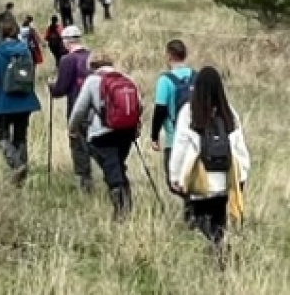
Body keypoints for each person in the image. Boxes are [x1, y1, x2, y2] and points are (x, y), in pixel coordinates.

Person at [169, 66, 249, 260]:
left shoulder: (189, 112)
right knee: (219, 221)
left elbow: (180, 147)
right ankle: (219, 252)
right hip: (224, 182)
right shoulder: (229, 113)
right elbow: (239, 147)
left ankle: (214, 251)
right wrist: (242, 176)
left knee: (200, 221)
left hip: (199, 181)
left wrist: (175, 176)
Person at [68, 51, 142, 218]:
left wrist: (72, 127)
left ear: (92, 65)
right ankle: (126, 203)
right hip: (126, 132)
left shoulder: (92, 80)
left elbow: (80, 109)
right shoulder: (125, 78)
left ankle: (121, 211)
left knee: (111, 168)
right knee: (117, 165)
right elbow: (139, 104)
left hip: (102, 132)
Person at [0, 18, 41, 186]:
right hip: (25, 100)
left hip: (4, 101)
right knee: (20, 137)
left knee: (1, 137)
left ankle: (18, 165)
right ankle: (21, 176)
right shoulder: (25, 50)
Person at [151, 39, 196, 222]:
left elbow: (160, 109)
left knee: (173, 181)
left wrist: (154, 136)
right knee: (192, 176)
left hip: (174, 137)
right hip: (196, 136)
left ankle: (192, 211)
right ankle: (192, 213)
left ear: (169, 55)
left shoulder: (165, 80)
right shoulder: (196, 75)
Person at [48, 26, 94, 192]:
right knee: (94, 145)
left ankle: (85, 184)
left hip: (76, 109)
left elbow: (61, 89)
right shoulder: (92, 56)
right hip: (96, 111)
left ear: (66, 41)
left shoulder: (67, 60)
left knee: (78, 147)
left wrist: (51, 87)